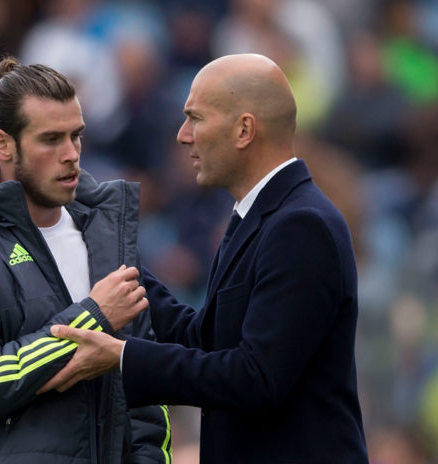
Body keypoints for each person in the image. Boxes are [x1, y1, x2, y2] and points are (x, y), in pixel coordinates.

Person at [41, 54, 369, 463]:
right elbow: (207, 342)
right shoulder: (260, 214)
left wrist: (123, 356)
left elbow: (257, 378)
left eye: (195, 118)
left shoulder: (301, 225)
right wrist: (113, 268)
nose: (182, 136)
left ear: (244, 129)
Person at [0, 56, 172, 464]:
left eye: (76, 136)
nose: (71, 154)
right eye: (51, 139)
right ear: (2, 144)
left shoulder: (106, 239)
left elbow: (143, 396)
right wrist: (93, 317)